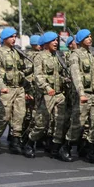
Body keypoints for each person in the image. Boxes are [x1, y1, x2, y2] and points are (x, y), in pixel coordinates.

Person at [23, 32, 70, 161]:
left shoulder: (57, 56)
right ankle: (30, 143)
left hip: (59, 94)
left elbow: (58, 74)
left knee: (60, 121)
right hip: (46, 94)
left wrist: (66, 80)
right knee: (41, 123)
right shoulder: (40, 57)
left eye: (57, 40)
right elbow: (38, 75)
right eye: (53, 40)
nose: (56, 43)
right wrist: (47, 87)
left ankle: (55, 148)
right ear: (46, 42)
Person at [63, 29, 94, 163]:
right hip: (83, 94)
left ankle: (90, 150)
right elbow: (76, 75)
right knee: (78, 123)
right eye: (87, 37)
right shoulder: (75, 55)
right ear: (80, 40)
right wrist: (81, 93)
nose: (90, 39)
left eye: (91, 36)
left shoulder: (93, 54)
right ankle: (66, 147)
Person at [0, 27, 32, 154]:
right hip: (7, 89)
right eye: (11, 37)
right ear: (5, 39)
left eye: (15, 36)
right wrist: (1, 86)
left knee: (19, 116)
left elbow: (23, 70)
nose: (14, 39)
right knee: (3, 117)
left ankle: (15, 141)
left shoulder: (17, 52)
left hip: (19, 88)